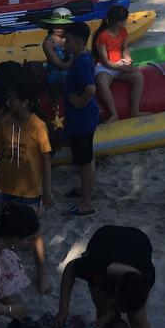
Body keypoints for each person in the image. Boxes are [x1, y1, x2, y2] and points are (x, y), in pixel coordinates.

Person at [0, 82, 54, 293]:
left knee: (34, 233)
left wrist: (46, 190)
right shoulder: (5, 123)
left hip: (29, 191)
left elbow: (46, 160)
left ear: (24, 102)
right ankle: (1, 273)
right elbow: (0, 156)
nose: (8, 102)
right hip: (5, 189)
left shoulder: (38, 126)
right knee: (4, 232)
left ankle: (41, 273)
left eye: (12, 99)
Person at [55, 226, 156, 328]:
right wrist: (63, 311)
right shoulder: (94, 266)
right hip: (104, 239)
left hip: (138, 242)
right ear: (115, 292)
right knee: (105, 313)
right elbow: (69, 271)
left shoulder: (147, 278)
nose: (123, 313)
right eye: (122, 308)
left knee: (137, 318)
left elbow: (141, 323)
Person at [62, 20, 99, 216]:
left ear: (77, 43)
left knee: (85, 161)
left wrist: (78, 103)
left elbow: (91, 89)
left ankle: (86, 203)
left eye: (67, 41)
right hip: (80, 119)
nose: (64, 44)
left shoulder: (83, 62)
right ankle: (84, 190)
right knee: (83, 158)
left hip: (83, 119)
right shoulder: (79, 59)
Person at [93, 4, 147, 120]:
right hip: (105, 67)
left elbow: (125, 48)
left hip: (119, 63)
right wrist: (122, 67)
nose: (125, 22)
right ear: (117, 22)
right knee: (102, 82)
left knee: (138, 76)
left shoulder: (123, 31)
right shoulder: (103, 36)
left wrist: (128, 58)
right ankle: (114, 114)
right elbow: (105, 61)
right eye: (124, 20)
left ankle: (135, 111)